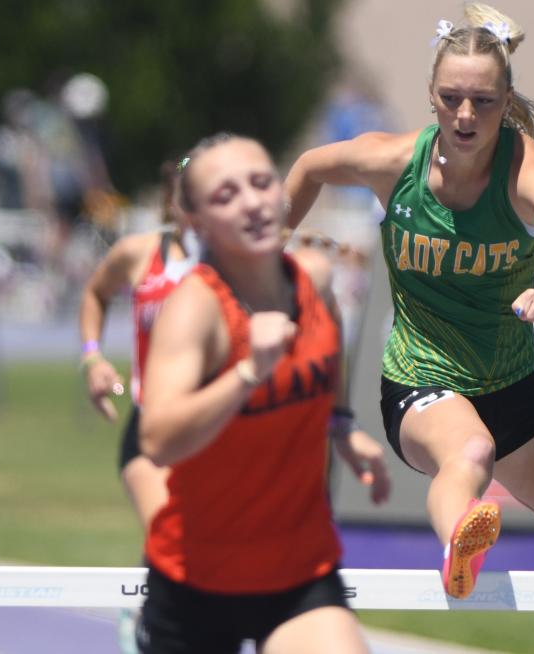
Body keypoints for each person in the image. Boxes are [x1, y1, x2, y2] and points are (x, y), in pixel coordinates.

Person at [284, 3, 534, 600]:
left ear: (506, 101)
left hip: (509, 382)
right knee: (470, 449)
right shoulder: (393, 161)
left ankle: (468, 505)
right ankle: (459, 538)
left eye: (483, 102)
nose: (465, 115)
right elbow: (309, 167)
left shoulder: (530, 173)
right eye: (450, 98)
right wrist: (263, 251)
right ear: (431, 97)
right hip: (419, 377)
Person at [138, 134, 390, 654]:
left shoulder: (314, 280)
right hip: (196, 583)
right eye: (225, 195)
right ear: (197, 220)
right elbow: (159, 439)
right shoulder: (197, 309)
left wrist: (341, 423)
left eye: (260, 183)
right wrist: (247, 373)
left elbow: (330, 330)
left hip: (299, 571)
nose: (251, 202)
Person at [79, 160, 199, 530]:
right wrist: (93, 358)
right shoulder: (138, 253)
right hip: (151, 426)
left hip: (218, 426)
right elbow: (95, 293)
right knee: (171, 536)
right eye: (188, 196)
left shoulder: (241, 263)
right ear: (170, 201)